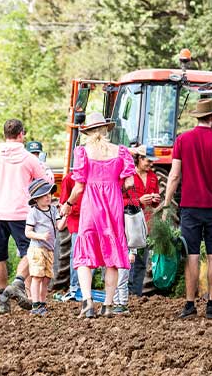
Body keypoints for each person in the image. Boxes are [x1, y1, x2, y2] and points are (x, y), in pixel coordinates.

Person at [164, 99, 212, 320]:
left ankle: (189, 305)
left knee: (192, 256)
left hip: (190, 208)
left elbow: (174, 175)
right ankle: (211, 304)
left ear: (197, 116)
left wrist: (167, 203)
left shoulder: (182, 140)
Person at [60, 113, 136, 319]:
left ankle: (87, 302)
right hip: (113, 205)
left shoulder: (83, 152)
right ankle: (109, 305)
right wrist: (115, 186)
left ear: (88, 133)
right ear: (105, 130)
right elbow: (129, 184)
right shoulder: (121, 152)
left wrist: (68, 205)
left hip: (90, 206)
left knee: (85, 254)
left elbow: (78, 188)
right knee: (111, 256)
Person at [0, 118, 48, 314]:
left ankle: (3, 298)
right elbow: (45, 182)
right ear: (21, 134)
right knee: (31, 251)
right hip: (21, 212)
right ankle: (20, 287)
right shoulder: (30, 159)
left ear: (5, 135)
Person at [25, 178, 65, 316]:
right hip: (37, 249)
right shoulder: (34, 212)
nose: (48, 196)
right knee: (37, 277)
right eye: (44, 195)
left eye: (49, 194)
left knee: (47, 278)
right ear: (36, 199)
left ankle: (42, 303)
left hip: (49, 249)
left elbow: (60, 226)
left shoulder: (53, 210)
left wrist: (65, 215)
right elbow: (28, 232)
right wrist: (41, 236)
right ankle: (35, 305)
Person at [127, 145, 160, 298]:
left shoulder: (153, 176)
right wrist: (138, 201)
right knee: (129, 260)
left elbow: (155, 202)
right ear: (139, 159)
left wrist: (155, 200)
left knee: (141, 260)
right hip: (130, 222)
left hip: (145, 223)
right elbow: (121, 201)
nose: (150, 164)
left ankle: (136, 295)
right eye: (148, 160)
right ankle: (124, 293)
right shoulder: (129, 176)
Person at [58, 171, 82, 300]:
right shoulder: (69, 178)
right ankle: (75, 287)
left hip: (94, 220)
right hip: (77, 221)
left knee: (94, 255)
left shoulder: (95, 175)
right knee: (76, 254)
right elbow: (64, 204)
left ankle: (84, 286)